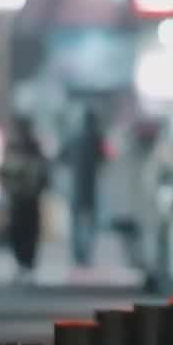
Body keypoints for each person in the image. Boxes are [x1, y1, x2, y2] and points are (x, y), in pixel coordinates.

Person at [1, 118, 50, 284]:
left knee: (30, 231)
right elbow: (5, 171)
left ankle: (27, 262)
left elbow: (43, 171)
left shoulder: (34, 148)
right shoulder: (13, 147)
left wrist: (39, 187)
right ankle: (21, 262)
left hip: (30, 197)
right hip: (17, 197)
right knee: (18, 231)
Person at [62, 110, 106, 268]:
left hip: (76, 186)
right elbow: (104, 158)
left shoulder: (74, 139)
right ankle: (85, 254)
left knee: (76, 223)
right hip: (90, 187)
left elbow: (61, 157)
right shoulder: (97, 139)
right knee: (90, 223)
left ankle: (78, 254)